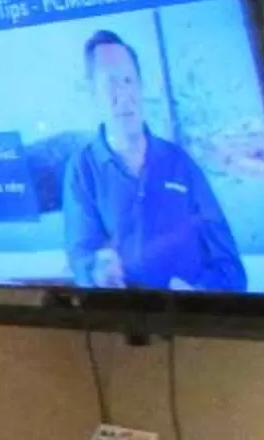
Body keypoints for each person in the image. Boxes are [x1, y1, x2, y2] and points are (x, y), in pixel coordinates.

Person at [60, 29, 246, 291]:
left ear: (141, 86)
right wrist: (98, 274)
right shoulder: (82, 168)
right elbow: (82, 259)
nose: (124, 94)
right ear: (92, 92)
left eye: (129, 80)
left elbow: (232, 270)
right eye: (111, 83)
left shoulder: (180, 162)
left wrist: (199, 294)